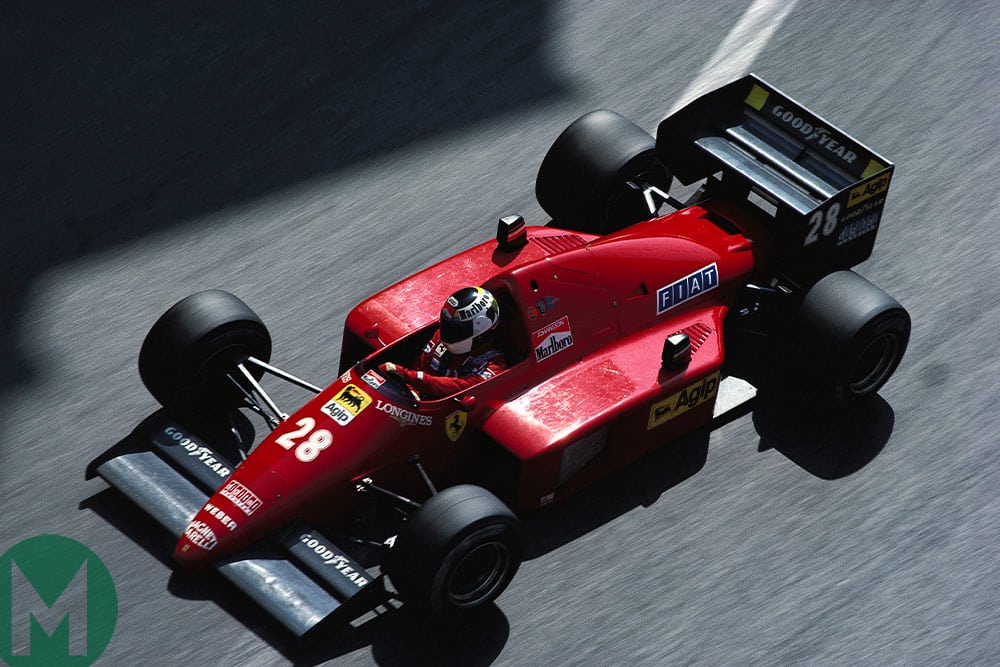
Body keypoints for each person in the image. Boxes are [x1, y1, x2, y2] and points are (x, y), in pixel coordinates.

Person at [378, 286, 508, 399]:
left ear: (481, 329)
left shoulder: (494, 367)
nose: (448, 332)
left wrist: (408, 376)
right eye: (448, 325)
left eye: (457, 329)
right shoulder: (441, 334)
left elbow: (455, 388)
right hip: (413, 396)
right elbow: (421, 365)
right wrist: (412, 388)